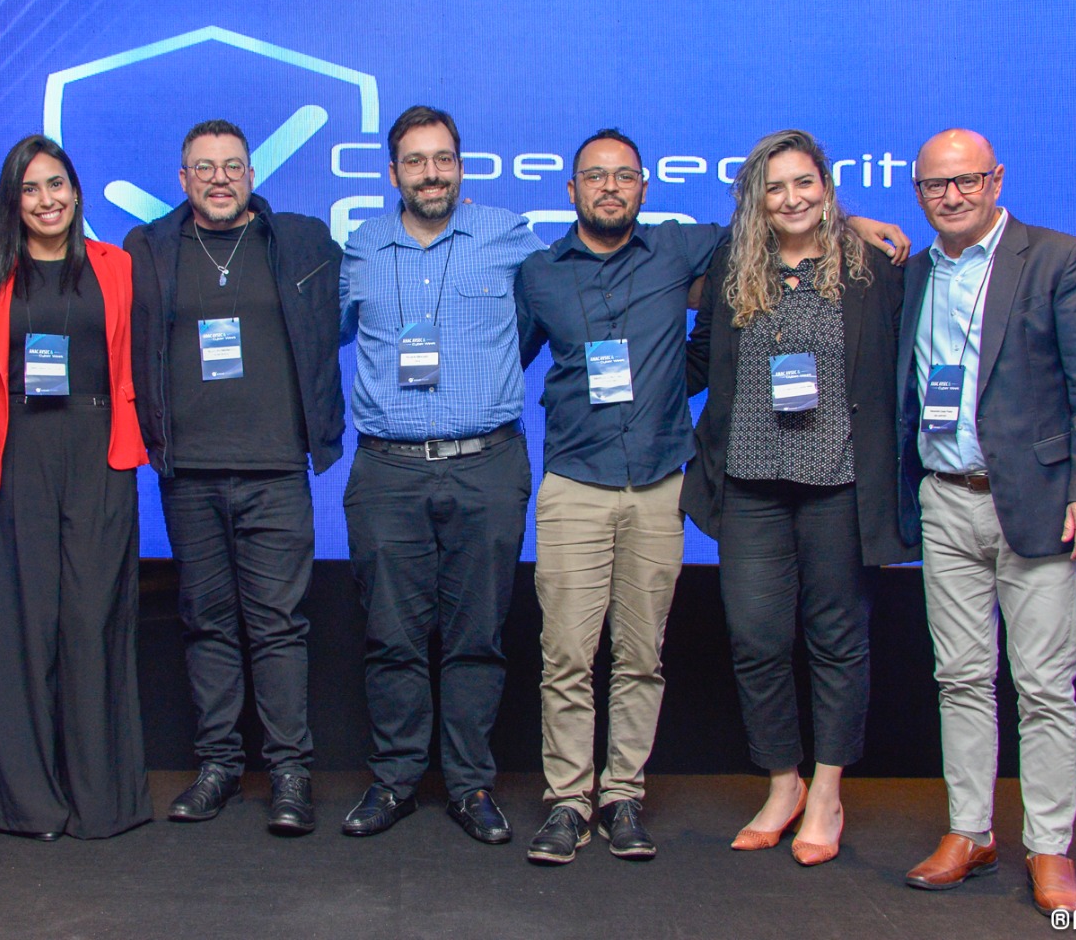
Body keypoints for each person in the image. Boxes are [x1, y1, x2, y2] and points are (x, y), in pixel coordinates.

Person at [515, 129, 908, 866]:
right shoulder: (555, 272)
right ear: (571, 189)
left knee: (682, 653)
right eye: (594, 176)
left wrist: (850, 221)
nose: (609, 188)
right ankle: (594, 799)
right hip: (657, 481)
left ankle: (779, 794)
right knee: (618, 651)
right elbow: (512, 353)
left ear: (644, 186)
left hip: (754, 482)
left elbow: (792, 234)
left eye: (624, 175)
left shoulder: (715, 252)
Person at [898, 129, 1076, 914]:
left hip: (1037, 501)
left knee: (1044, 686)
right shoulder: (916, 272)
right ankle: (971, 832)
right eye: (935, 185)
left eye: (966, 181)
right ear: (919, 193)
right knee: (959, 677)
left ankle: (1050, 847)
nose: (951, 196)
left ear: (996, 180)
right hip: (943, 498)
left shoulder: (1058, 258)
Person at [680, 129, 916, 867]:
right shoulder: (732, 262)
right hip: (749, 484)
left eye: (804, 183)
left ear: (826, 186)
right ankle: (783, 783)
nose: (791, 199)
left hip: (839, 485)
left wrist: (854, 224)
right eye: (774, 187)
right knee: (755, 638)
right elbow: (699, 355)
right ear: (756, 198)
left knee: (837, 641)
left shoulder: (870, 264)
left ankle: (827, 793)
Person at [124, 120, 344, 836]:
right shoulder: (149, 248)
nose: (219, 178)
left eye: (232, 166)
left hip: (276, 470)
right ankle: (218, 766)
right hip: (188, 474)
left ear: (251, 173)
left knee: (278, 627)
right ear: (182, 179)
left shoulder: (302, 240)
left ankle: (289, 774)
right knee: (207, 623)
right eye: (204, 167)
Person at [337, 105, 543, 844]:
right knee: (390, 636)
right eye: (416, 161)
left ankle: (469, 785)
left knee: (477, 637)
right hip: (387, 471)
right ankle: (394, 781)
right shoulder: (362, 246)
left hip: (486, 464)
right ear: (392, 173)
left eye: (444, 159)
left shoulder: (508, 235)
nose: (432, 174)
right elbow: (324, 331)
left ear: (460, 165)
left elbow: (548, 311)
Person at [0, 134, 152, 840]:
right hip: (19, 455)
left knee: (92, 622)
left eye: (57, 184)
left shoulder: (116, 265)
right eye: (31, 188)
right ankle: (24, 803)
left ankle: (102, 800)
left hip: (100, 451)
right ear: (13, 202)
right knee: (21, 626)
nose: (47, 200)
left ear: (75, 190)